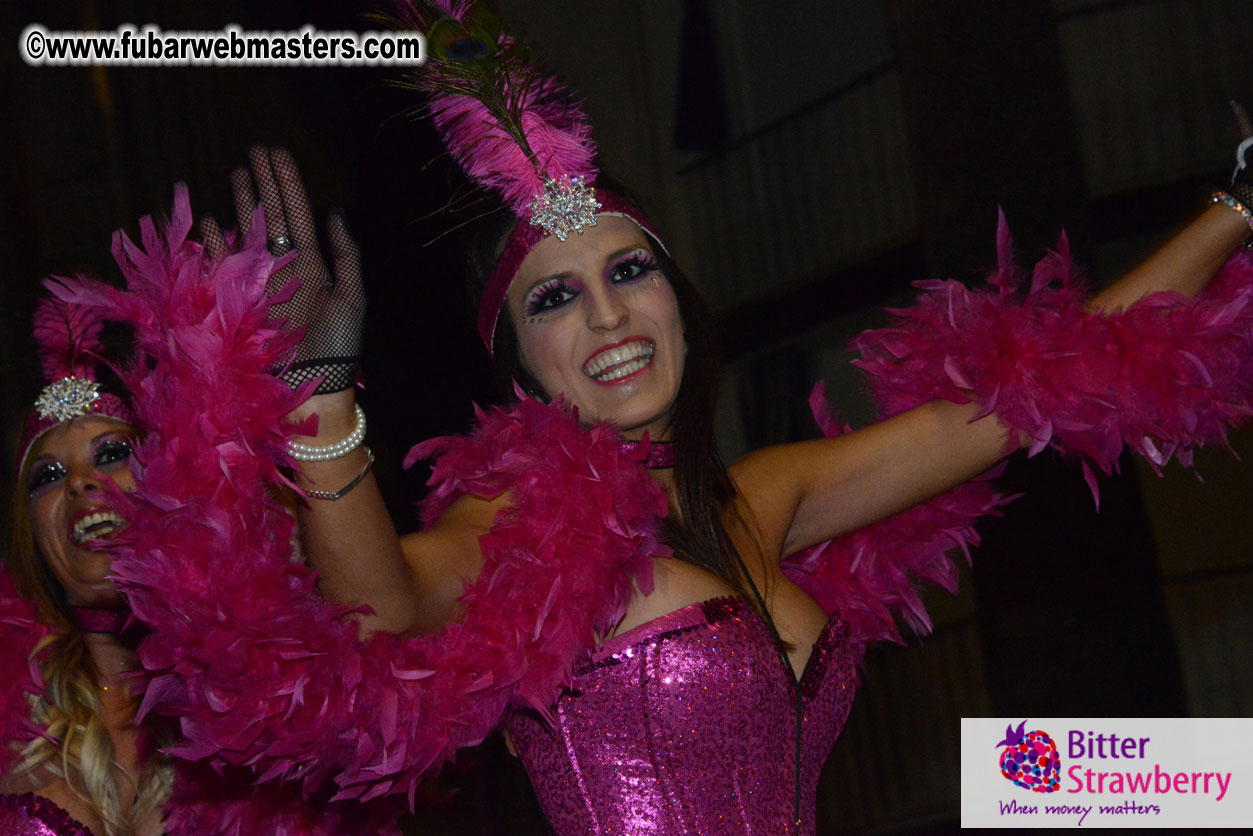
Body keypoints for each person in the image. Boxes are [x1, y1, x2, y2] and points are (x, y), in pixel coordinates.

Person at [101, 6, 1253, 835]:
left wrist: (1234, 205)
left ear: (680, 305)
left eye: (630, 271)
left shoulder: (765, 496)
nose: (608, 313)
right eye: (555, 296)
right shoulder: (519, 525)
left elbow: (1029, 392)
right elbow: (376, 607)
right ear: (522, 364)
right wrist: (321, 405)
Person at [0, 193, 402, 836]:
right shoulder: (10, 702)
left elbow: (391, 655)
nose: (80, 484)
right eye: (48, 475)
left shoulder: (269, 677)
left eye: (112, 453)